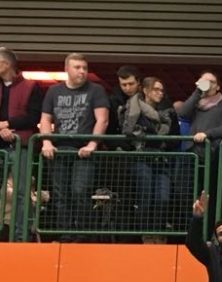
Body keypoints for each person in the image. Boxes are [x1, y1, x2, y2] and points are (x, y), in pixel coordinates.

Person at [38, 53, 110, 239]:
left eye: (84, 68)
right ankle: (65, 235)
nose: (82, 71)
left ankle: (84, 234)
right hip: (60, 149)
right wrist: (47, 141)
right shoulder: (54, 91)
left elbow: (102, 120)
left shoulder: (96, 90)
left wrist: (92, 144)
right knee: (60, 194)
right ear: (67, 69)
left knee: (80, 191)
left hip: (83, 150)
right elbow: (45, 119)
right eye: (77, 67)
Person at [178, 71, 222, 218]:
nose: (207, 84)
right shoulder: (196, 103)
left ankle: (209, 227)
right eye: (204, 81)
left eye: (211, 82)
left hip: (214, 155)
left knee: (211, 195)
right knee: (188, 193)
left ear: (218, 87)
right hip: (192, 154)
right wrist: (197, 91)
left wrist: (208, 134)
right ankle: (191, 224)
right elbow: (183, 113)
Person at [125, 77, 180, 232]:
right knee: (145, 197)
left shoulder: (168, 112)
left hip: (161, 159)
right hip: (141, 157)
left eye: (162, 90)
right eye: (156, 89)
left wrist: (158, 140)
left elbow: (175, 138)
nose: (160, 93)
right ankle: (143, 234)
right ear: (145, 90)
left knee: (163, 198)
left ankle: (158, 232)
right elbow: (129, 132)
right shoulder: (133, 108)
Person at [0, 47, 42, 240]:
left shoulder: (31, 87)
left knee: (21, 192)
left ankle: (20, 236)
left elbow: (33, 117)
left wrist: (7, 125)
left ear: (6, 64)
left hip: (21, 145)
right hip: (3, 145)